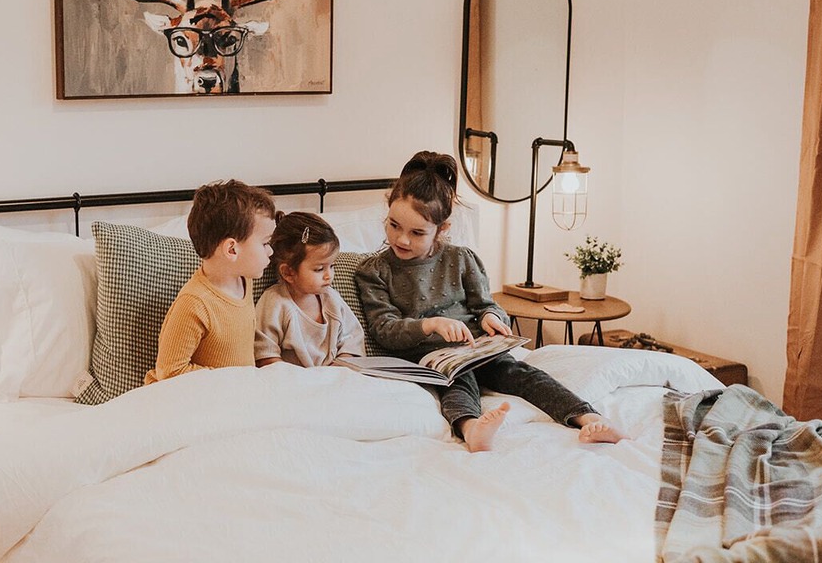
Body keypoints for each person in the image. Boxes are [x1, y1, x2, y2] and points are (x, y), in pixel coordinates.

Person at [354, 151, 625, 452]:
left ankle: (588, 418)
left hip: (479, 349)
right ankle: (472, 428)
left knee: (524, 374)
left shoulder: (461, 259)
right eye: (393, 225)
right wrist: (431, 325)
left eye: (417, 232)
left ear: (442, 229)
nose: (402, 239)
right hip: (437, 361)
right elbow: (384, 329)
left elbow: (486, 305)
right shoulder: (374, 271)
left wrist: (492, 319)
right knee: (458, 385)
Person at [144, 179, 277, 384]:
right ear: (232, 250)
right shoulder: (194, 304)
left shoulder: (244, 280)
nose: (270, 251)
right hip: (198, 399)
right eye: (265, 243)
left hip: (236, 394)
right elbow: (169, 372)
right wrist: (228, 380)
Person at [255, 211, 366, 367]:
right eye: (319, 269)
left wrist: (338, 369)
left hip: (335, 378)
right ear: (288, 272)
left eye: (332, 266)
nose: (329, 276)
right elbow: (265, 353)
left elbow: (352, 340)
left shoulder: (332, 299)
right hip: (292, 382)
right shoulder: (276, 302)